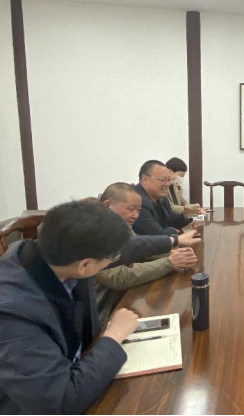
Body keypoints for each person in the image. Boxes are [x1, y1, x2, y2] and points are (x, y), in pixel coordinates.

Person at [0, 201, 140, 415]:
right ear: (85, 265)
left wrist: (172, 241)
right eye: (111, 259)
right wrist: (114, 336)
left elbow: (130, 247)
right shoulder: (12, 316)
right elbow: (60, 402)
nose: (112, 261)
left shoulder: (49, 255)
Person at [96, 183, 199, 323]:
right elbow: (119, 277)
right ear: (108, 205)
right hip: (102, 313)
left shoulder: (120, 224)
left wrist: (173, 253)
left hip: (121, 298)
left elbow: (139, 250)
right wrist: (169, 263)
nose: (135, 215)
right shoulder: (94, 232)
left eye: (138, 210)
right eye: (131, 209)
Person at [133, 160, 193, 236]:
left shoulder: (161, 197)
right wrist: (172, 230)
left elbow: (172, 220)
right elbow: (157, 235)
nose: (167, 184)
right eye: (162, 180)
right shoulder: (137, 200)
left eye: (169, 180)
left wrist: (187, 214)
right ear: (145, 179)